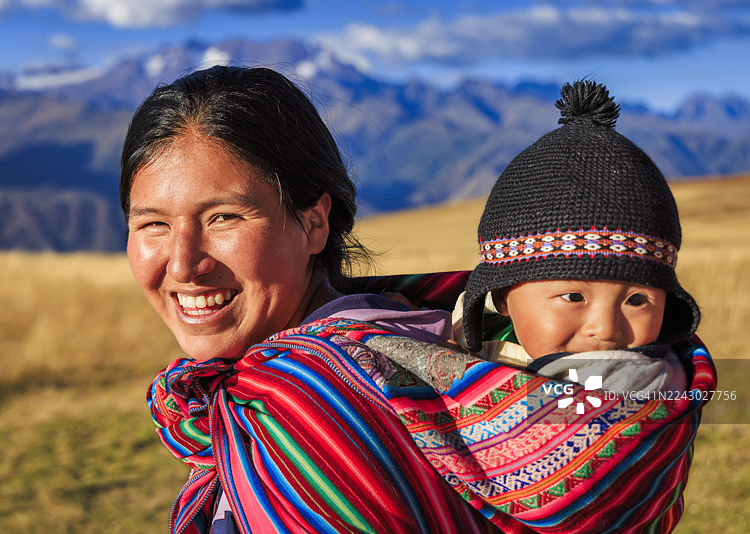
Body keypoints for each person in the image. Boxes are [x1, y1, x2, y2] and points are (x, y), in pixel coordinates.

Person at [122, 66, 716, 534]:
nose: (182, 264)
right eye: (152, 225)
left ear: (314, 224)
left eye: (224, 217)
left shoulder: (297, 402)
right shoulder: (413, 330)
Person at [453, 79, 697, 396]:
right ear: (501, 296)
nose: (606, 330)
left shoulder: (649, 383)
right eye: (573, 297)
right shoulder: (462, 348)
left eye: (636, 300)